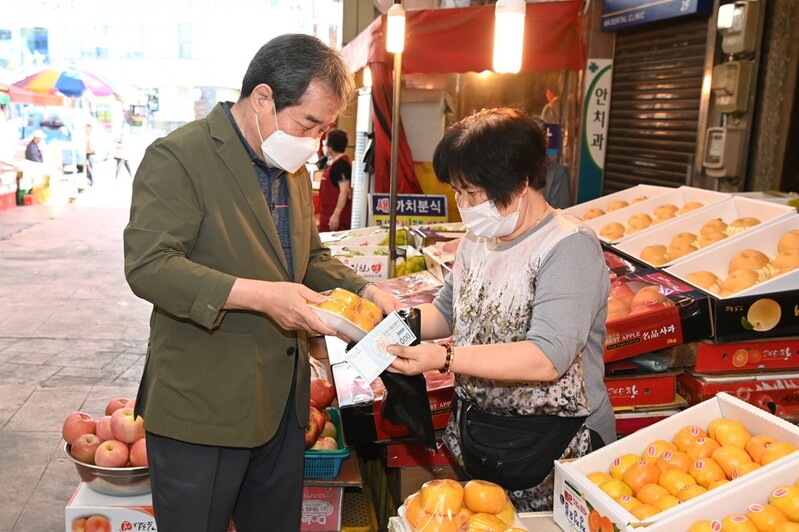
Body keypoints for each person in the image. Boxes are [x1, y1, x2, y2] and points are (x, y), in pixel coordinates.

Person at [123, 34, 398, 531]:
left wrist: (365, 292)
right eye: (308, 124)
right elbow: (149, 265)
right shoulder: (180, 156)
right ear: (264, 97)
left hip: (281, 407)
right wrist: (262, 297)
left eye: (324, 129)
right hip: (203, 407)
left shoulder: (288, 167)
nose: (314, 141)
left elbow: (307, 255)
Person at [386, 107, 615, 512]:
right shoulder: (478, 240)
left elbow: (548, 357)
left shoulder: (568, 247)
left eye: (474, 193)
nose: (464, 204)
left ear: (521, 181)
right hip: (488, 436)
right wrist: (389, 326)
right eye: (458, 192)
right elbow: (448, 314)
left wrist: (446, 357)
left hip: (558, 443)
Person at [317, 128, 352, 232]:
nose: (324, 146)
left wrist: (336, 214)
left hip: (335, 219)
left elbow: (344, 191)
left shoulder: (341, 165)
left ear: (330, 147)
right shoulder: (333, 164)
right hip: (326, 216)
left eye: (325, 143)